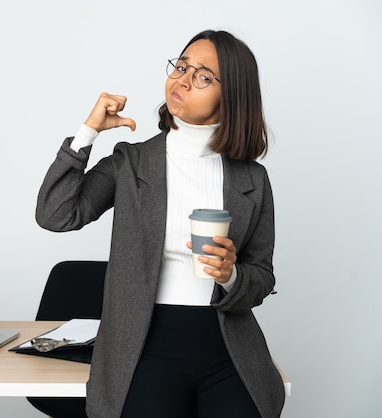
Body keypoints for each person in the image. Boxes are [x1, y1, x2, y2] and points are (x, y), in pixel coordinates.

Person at [35, 29, 285, 418]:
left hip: (226, 346)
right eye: (181, 66)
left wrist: (231, 275)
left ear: (231, 96)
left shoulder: (252, 180)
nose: (182, 80)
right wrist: (88, 133)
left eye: (203, 76)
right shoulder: (131, 163)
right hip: (143, 346)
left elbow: (262, 277)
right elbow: (56, 214)